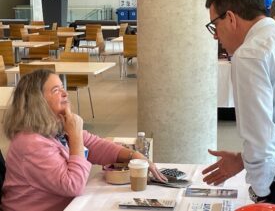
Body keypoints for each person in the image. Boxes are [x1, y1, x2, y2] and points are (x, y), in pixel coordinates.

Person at [1, 69, 167, 211]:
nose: (65, 93)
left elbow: (95, 145)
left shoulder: (55, 126)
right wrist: (75, 136)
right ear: (37, 102)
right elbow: (73, 185)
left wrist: (134, 155)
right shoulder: (31, 143)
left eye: (63, 88)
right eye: (56, 90)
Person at [203, 0, 275, 210]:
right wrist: (243, 159)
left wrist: (261, 195)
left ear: (230, 18)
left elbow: (261, 140)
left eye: (214, 25)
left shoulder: (250, 54)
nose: (216, 35)